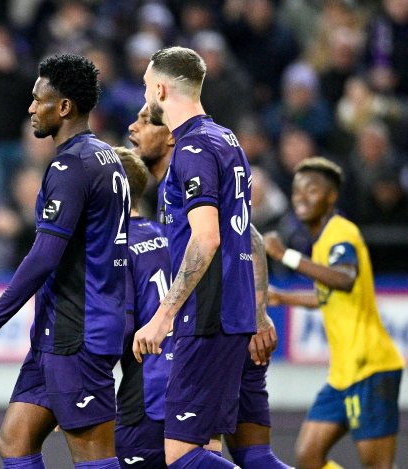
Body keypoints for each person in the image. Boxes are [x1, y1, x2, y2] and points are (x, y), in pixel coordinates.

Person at [0, 53, 129, 469]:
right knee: (15, 440)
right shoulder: (106, 156)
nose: (31, 108)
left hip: (80, 329)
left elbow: (43, 257)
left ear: (65, 107)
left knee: (93, 455)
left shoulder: (71, 164)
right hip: (61, 328)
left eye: (39, 100)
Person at [127, 101, 290, 469]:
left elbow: (247, 239)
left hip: (211, 329)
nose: (133, 129)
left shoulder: (189, 167)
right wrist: (257, 313)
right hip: (233, 324)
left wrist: (257, 311)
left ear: (169, 135)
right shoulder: (179, 180)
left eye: (143, 121)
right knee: (252, 455)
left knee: (187, 456)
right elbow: (249, 236)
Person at [132, 47, 256, 468]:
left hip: (207, 315)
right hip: (232, 310)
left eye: (147, 87)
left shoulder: (192, 149)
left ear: (161, 89)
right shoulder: (226, 139)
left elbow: (205, 239)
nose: (145, 95)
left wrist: (164, 315)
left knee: (181, 456)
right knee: (206, 447)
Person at [264, 157, 403, 469]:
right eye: (297, 190)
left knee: (378, 465)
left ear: (331, 197)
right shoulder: (322, 241)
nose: (301, 197)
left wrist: (283, 254)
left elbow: (344, 278)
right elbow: (328, 295)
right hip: (342, 374)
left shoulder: (341, 232)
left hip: (370, 368)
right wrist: (284, 297)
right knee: (308, 457)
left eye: (312, 190)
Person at [112, 147, 173, 468]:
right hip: (190, 377)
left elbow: (121, 328)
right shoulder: (169, 235)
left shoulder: (116, 248)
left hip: (147, 384)